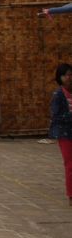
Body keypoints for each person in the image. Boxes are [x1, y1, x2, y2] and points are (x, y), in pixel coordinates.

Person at [49, 62, 72, 205]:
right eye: (67, 75)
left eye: (71, 75)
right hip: (65, 133)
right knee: (70, 164)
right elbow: (56, 116)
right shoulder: (58, 95)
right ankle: (71, 194)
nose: (70, 78)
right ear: (61, 77)